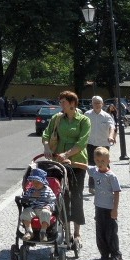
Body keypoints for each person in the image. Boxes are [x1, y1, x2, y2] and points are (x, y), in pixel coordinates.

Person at [42, 90, 91, 249]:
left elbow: (82, 142)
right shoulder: (57, 119)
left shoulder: (83, 121)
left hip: (77, 164)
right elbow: (46, 133)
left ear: (72, 103)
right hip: (58, 163)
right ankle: (65, 230)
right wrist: (46, 146)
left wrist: (67, 154)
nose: (60, 105)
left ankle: (77, 233)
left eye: (63, 102)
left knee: (76, 196)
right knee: (60, 196)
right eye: (60, 102)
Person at [74, 146, 122, 260]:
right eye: (98, 161)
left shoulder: (111, 176)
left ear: (108, 161)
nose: (100, 163)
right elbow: (84, 166)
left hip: (109, 209)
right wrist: (70, 162)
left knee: (111, 232)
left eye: (103, 161)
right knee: (100, 232)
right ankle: (104, 253)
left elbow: (116, 193)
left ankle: (115, 254)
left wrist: (115, 209)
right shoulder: (94, 171)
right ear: (94, 160)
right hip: (99, 208)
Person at [84, 96, 116, 193]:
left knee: (104, 164)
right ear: (92, 104)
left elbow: (112, 127)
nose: (97, 105)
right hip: (90, 144)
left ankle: (108, 183)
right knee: (92, 165)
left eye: (99, 103)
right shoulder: (87, 114)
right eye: (95, 103)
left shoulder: (107, 116)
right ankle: (92, 186)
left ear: (102, 104)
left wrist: (111, 136)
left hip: (103, 144)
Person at [20, 167, 56, 242]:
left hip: (44, 208)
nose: (35, 185)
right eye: (33, 182)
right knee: (26, 212)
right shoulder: (31, 190)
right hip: (33, 208)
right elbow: (25, 198)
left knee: (45, 213)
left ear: (43, 182)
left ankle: (43, 232)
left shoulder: (48, 190)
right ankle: (29, 231)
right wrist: (30, 196)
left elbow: (53, 201)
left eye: (38, 183)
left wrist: (48, 206)